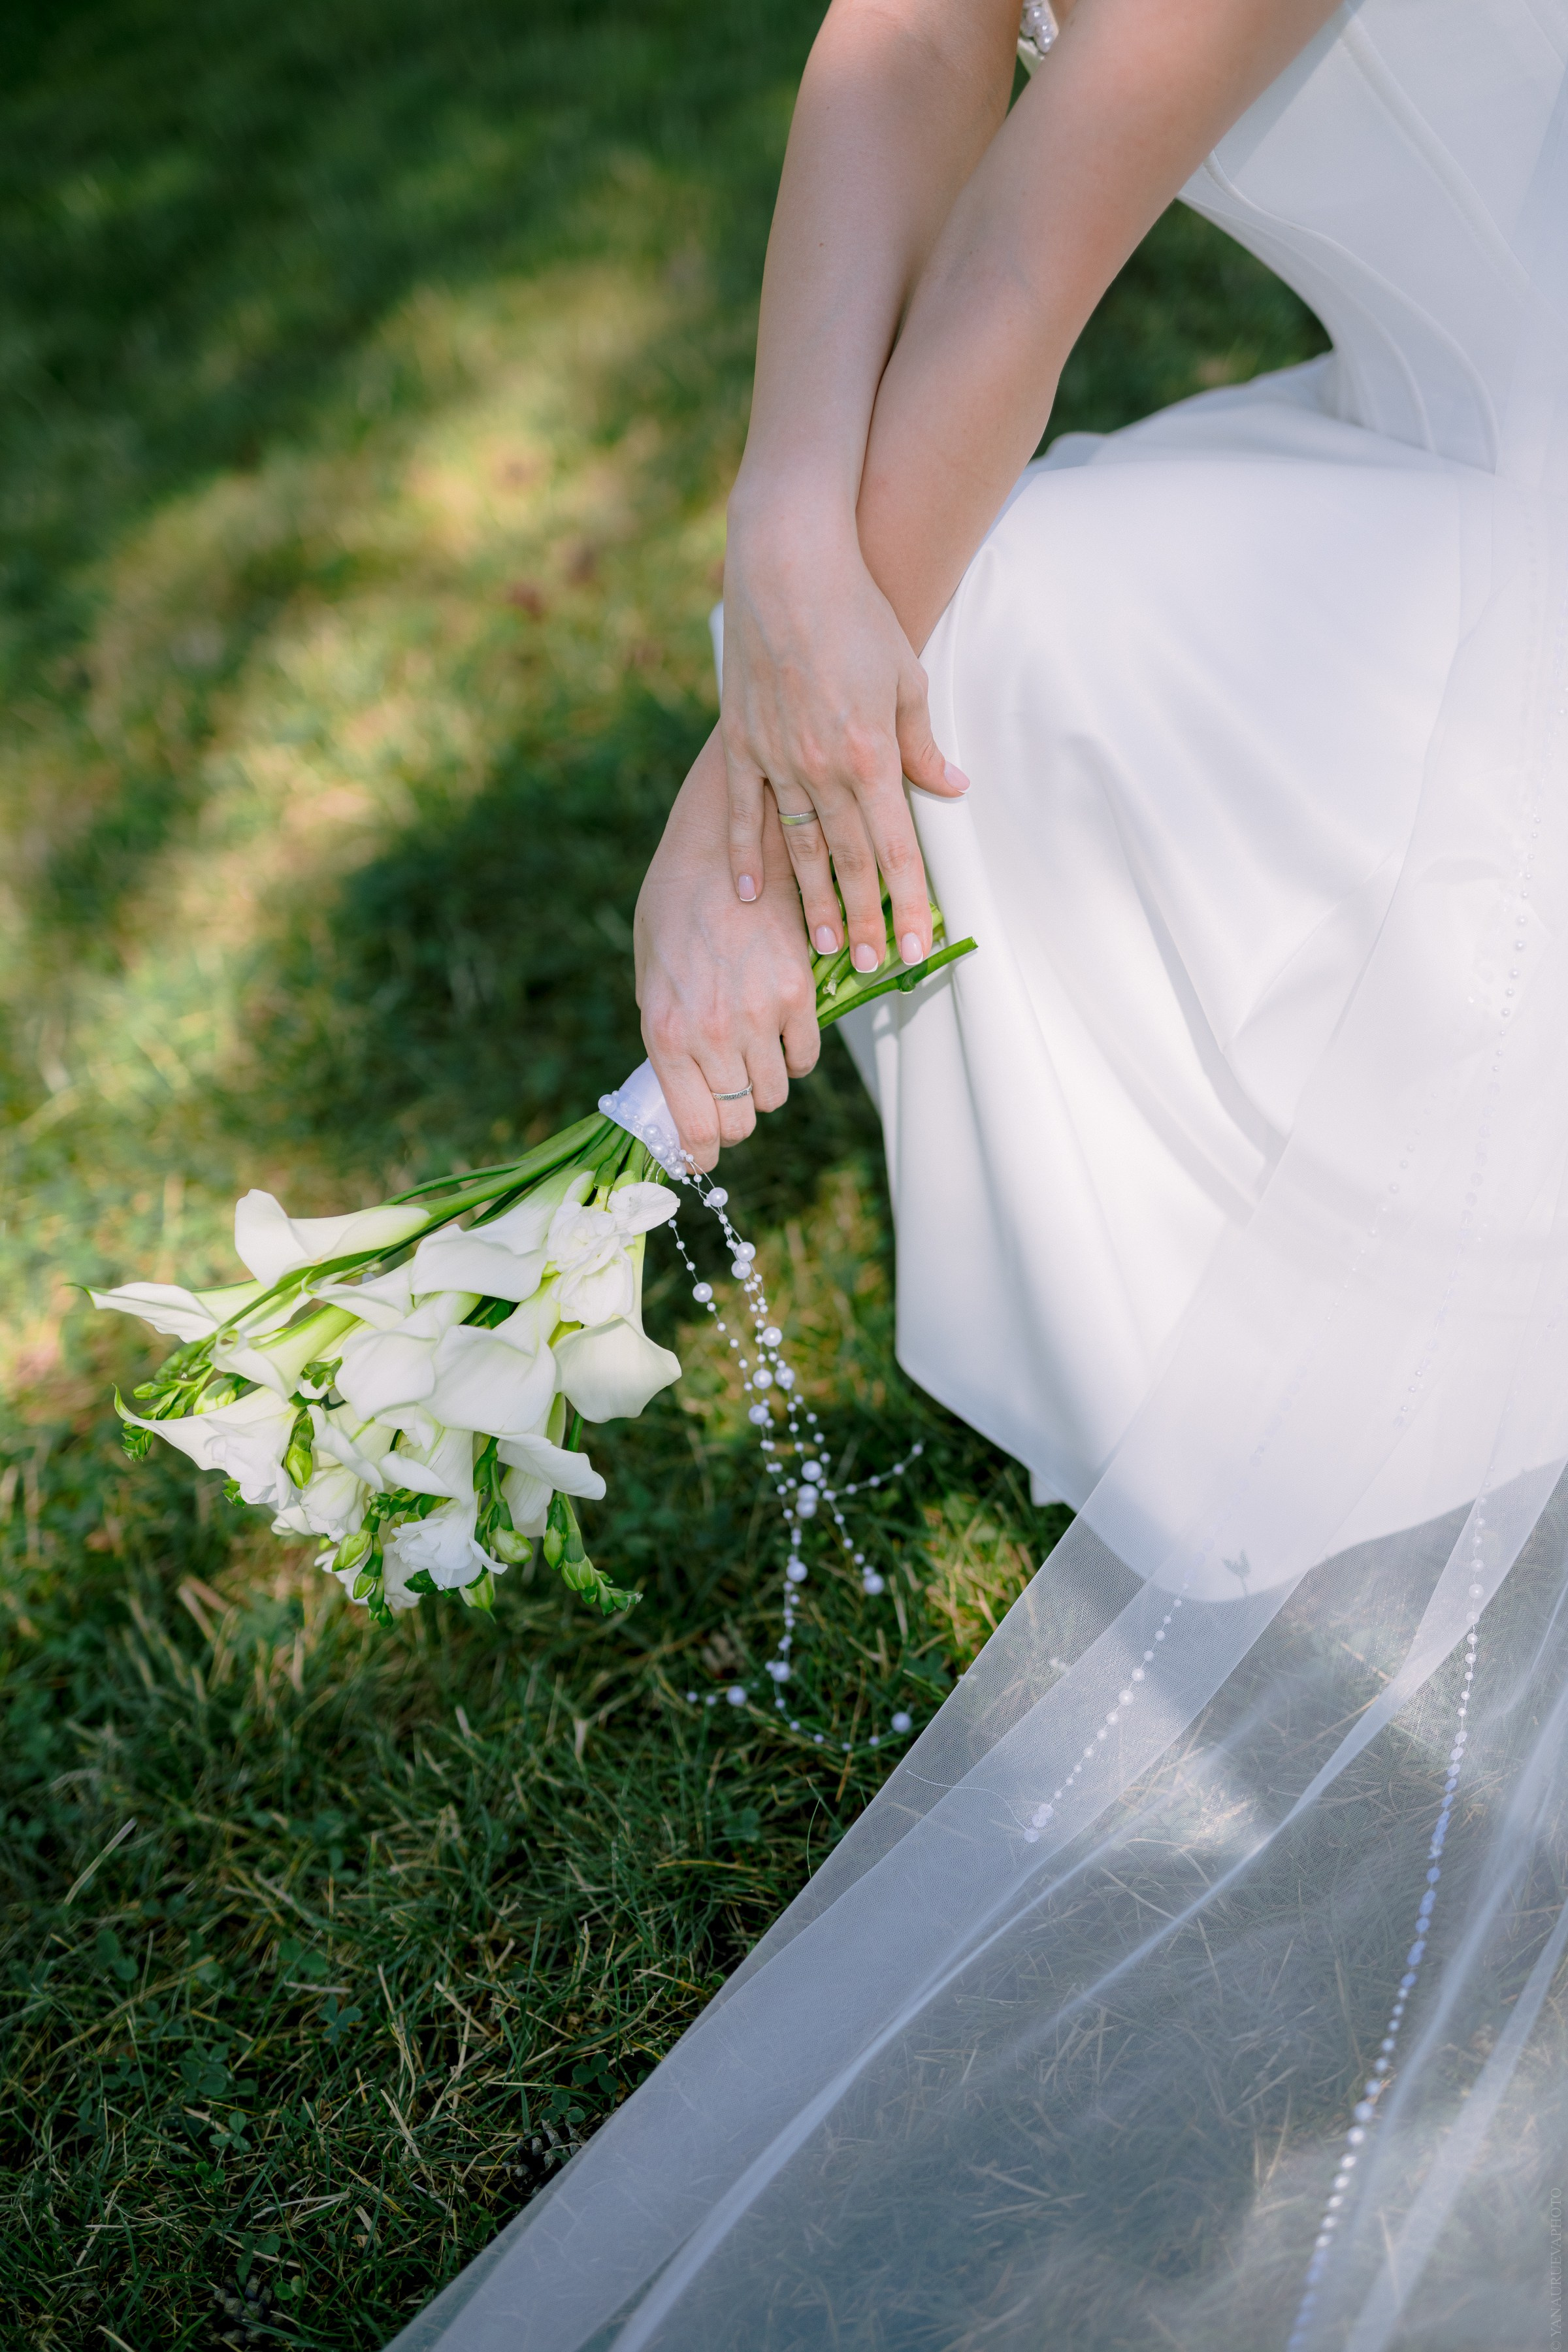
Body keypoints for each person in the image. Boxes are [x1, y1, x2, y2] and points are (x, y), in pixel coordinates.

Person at [393, 0, 1568, 2344]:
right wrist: (769, 547)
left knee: (1009, 633)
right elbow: (912, 39)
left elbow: (1023, 273)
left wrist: (742, 824)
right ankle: (1274, 1406)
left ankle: (1388, 1371)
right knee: (986, 615)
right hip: (1453, 430)